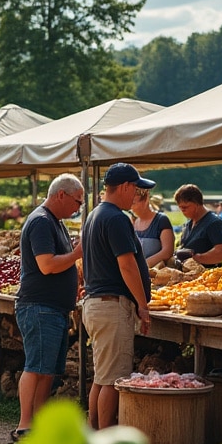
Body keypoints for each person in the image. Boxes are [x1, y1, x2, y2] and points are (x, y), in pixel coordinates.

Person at [82, 163, 154, 430]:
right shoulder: (116, 218)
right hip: (111, 305)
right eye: (134, 189)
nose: (136, 195)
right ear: (124, 187)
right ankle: (105, 439)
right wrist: (143, 305)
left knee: (102, 377)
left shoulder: (95, 214)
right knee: (114, 379)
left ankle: (95, 432)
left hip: (97, 303)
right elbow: (127, 265)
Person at [13, 174, 84, 440]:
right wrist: (77, 254)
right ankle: (25, 424)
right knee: (36, 367)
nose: (78, 207)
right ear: (61, 195)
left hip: (51, 307)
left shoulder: (55, 222)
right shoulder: (42, 221)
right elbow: (47, 265)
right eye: (77, 201)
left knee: (47, 370)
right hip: (40, 306)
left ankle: (36, 423)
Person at [173, 184, 222, 268]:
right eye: (180, 208)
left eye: (185, 207)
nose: (183, 211)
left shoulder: (214, 223)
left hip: (207, 275)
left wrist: (197, 259)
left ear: (197, 204)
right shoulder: (189, 224)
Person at [130, 187, 174, 267]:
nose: (130, 206)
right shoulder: (132, 222)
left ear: (146, 200)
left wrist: (143, 266)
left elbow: (167, 252)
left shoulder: (161, 220)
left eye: (133, 203)